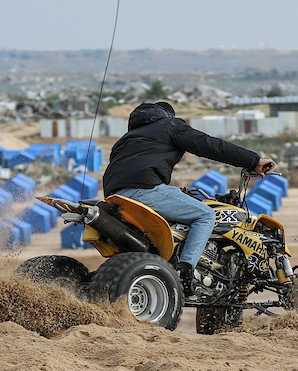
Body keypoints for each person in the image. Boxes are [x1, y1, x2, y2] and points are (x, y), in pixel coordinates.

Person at [101, 101, 276, 293]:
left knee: (179, 195)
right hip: (144, 190)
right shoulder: (170, 126)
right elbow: (209, 145)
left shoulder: (126, 139)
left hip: (114, 196)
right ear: (167, 116)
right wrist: (253, 161)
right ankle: (185, 271)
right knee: (206, 215)